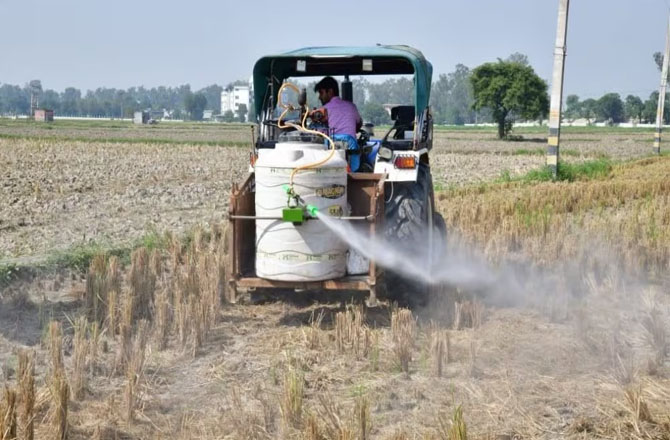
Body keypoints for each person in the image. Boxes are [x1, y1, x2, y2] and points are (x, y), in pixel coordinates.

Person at [312, 76, 363, 170]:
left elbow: (317, 134)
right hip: (351, 155)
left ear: (330, 91)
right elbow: (359, 123)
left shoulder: (323, 111)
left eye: (321, 93)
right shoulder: (351, 106)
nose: (320, 97)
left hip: (330, 156)